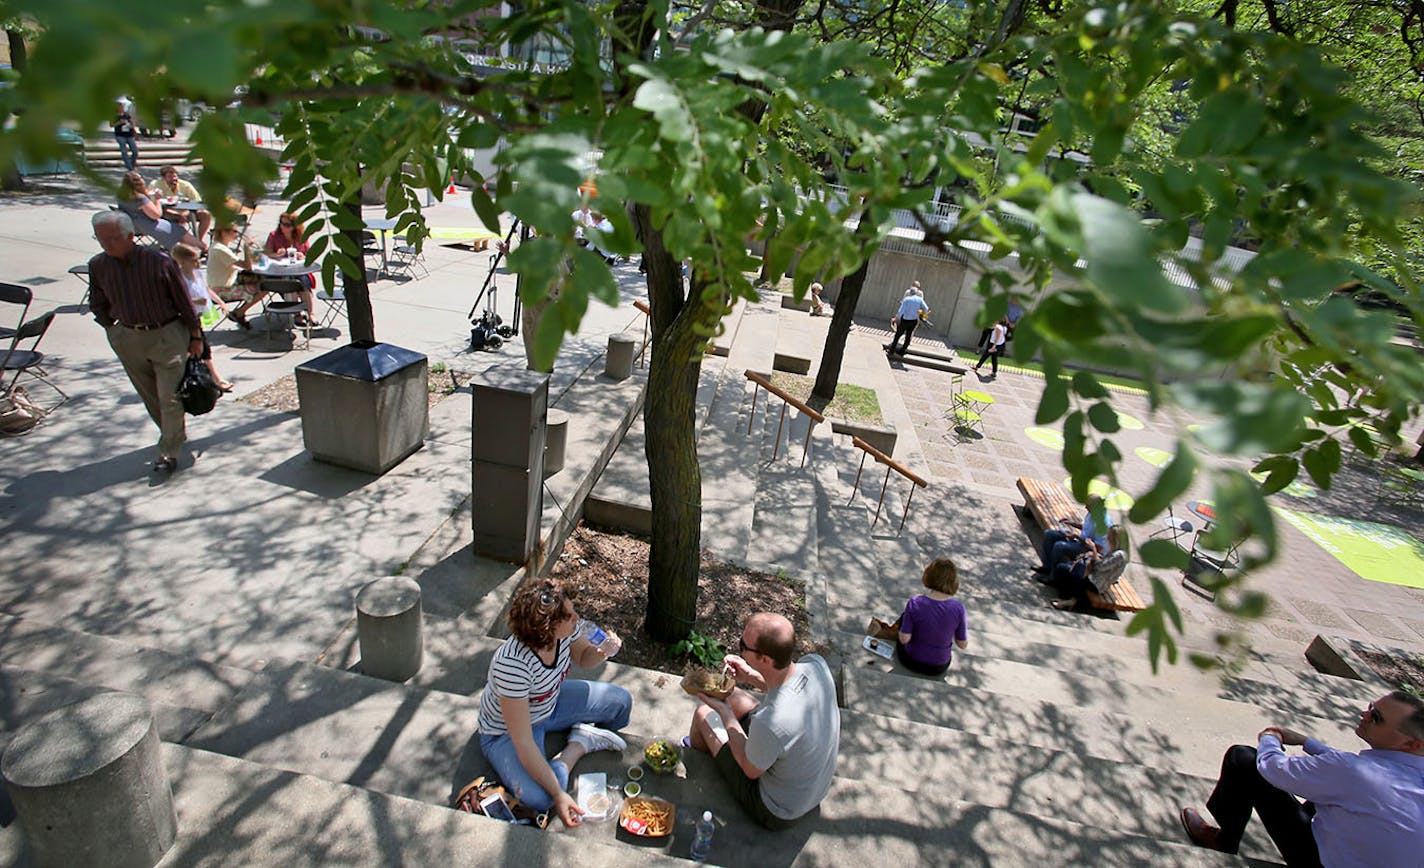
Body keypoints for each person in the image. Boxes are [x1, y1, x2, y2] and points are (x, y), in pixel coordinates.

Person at [1179, 691, 1424, 866]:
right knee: (1328, 790)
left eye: (1376, 717)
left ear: (1411, 743)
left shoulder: (1353, 772)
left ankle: (1224, 840)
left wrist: (1271, 737)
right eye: (1371, 707)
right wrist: (1308, 743)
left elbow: (1273, 768)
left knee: (1243, 759)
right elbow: (1362, 771)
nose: (1364, 714)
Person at [476, 579, 632, 828]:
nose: (577, 618)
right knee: (543, 798)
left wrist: (602, 652)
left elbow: (583, 657)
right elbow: (524, 742)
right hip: (506, 732)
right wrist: (560, 795)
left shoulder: (565, 632)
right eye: (569, 616)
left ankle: (584, 736)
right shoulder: (512, 666)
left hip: (550, 701)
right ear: (546, 627)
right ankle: (579, 744)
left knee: (621, 702)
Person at [687, 613, 839, 829]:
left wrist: (725, 714)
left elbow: (750, 770)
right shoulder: (816, 665)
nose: (739, 647)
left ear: (765, 660)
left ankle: (699, 756)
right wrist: (750, 676)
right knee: (734, 695)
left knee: (704, 714)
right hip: (814, 788)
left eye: (743, 646)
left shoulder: (770, 722)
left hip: (777, 811)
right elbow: (785, 691)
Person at [87, 211, 204, 474]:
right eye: (101, 239)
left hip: (166, 335)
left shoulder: (159, 261)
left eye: (113, 238)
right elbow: (97, 301)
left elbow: (184, 302)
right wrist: (111, 327)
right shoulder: (98, 265)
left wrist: (196, 336)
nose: (107, 244)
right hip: (128, 337)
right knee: (151, 396)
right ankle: (172, 434)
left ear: (130, 236)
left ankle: (168, 450)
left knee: (169, 397)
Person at [871, 558, 969, 677]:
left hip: (910, 660)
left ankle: (891, 630)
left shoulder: (916, 602)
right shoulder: (959, 609)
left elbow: (904, 639)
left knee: (905, 618)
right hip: (939, 666)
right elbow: (962, 644)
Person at [171, 244, 233, 393]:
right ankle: (215, 379)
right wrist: (196, 301)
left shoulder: (196, 272)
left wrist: (220, 302)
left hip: (199, 315)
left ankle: (204, 378)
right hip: (189, 316)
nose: (197, 263)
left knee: (196, 348)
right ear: (183, 261)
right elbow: (178, 300)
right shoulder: (179, 278)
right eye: (194, 260)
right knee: (202, 347)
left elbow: (206, 289)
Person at [115, 171, 205, 253]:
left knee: (175, 225)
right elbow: (156, 215)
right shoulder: (140, 198)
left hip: (131, 225)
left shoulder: (121, 195)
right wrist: (157, 199)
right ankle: (202, 247)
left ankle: (196, 248)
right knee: (177, 229)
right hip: (147, 225)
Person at [1045, 526, 1125, 610]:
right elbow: (1105, 563)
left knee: (1062, 569)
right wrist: (1095, 555)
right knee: (1065, 568)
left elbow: (1100, 567)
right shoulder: (1115, 550)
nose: (1107, 538)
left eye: (1110, 536)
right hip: (1095, 577)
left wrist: (1093, 549)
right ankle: (1069, 599)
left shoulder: (1119, 555)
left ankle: (1067, 600)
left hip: (1096, 583)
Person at [1032, 495, 1112, 576]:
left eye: (1088, 506)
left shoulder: (1103, 524)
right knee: (1049, 534)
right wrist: (1071, 523)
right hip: (1081, 542)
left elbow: (1097, 548)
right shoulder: (1092, 513)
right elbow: (1086, 527)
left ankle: (1053, 576)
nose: (1085, 507)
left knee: (1059, 546)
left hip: (1089, 551)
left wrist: (1077, 537)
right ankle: (1047, 566)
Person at [207, 224, 264, 330]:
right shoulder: (221, 250)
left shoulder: (217, 245)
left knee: (259, 280)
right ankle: (240, 312)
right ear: (224, 232)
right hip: (222, 289)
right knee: (264, 288)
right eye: (234, 231)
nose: (237, 234)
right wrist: (246, 248)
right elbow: (247, 266)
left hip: (223, 282)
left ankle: (240, 312)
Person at [264, 212, 316, 327]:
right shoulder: (274, 235)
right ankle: (297, 315)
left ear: (294, 226)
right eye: (281, 223)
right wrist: (276, 254)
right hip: (280, 271)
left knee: (304, 286)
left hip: (298, 269)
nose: (283, 227)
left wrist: (303, 256)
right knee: (291, 286)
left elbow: (310, 255)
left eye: (286, 225)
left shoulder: (301, 237)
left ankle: (311, 314)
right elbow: (267, 253)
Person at [150, 166, 212, 243]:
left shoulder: (185, 185)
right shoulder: (155, 185)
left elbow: (197, 201)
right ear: (163, 178)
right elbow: (152, 203)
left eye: (175, 176)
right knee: (180, 217)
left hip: (186, 211)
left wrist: (186, 208)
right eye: (170, 177)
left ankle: (198, 240)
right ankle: (180, 242)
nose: (174, 179)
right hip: (164, 212)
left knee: (206, 214)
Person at [887, 283, 929, 356]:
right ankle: (902, 351)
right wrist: (920, 313)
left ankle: (891, 351)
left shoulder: (906, 299)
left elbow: (901, 311)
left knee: (897, 335)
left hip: (905, 320)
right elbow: (926, 308)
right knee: (908, 336)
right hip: (914, 321)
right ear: (916, 293)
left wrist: (896, 318)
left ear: (910, 292)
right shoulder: (920, 300)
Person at [112, 100, 138, 170]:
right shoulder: (114, 115)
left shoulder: (126, 115)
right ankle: (129, 167)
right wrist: (119, 123)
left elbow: (132, 123)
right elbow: (111, 125)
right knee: (124, 151)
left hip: (129, 134)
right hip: (120, 135)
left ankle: (132, 164)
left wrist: (132, 126)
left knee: (135, 151)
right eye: (121, 107)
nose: (122, 108)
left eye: (123, 107)